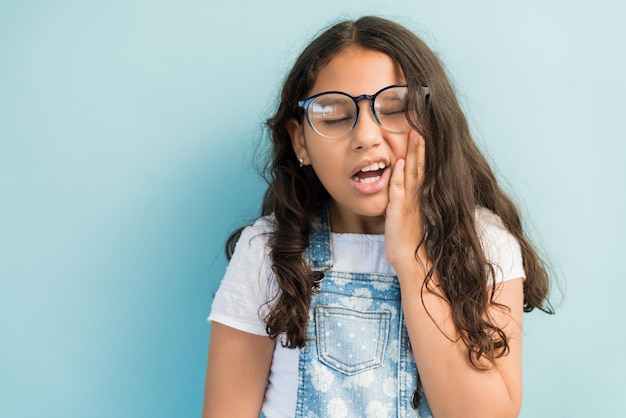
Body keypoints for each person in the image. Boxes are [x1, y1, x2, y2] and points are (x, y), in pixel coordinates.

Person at [202, 16, 553, 418]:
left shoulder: (484, 244)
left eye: (395, 109)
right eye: (334, 116)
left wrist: (411, 258)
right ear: (300, 141)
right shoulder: (267, 251)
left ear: (434, 123)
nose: (366, 136)